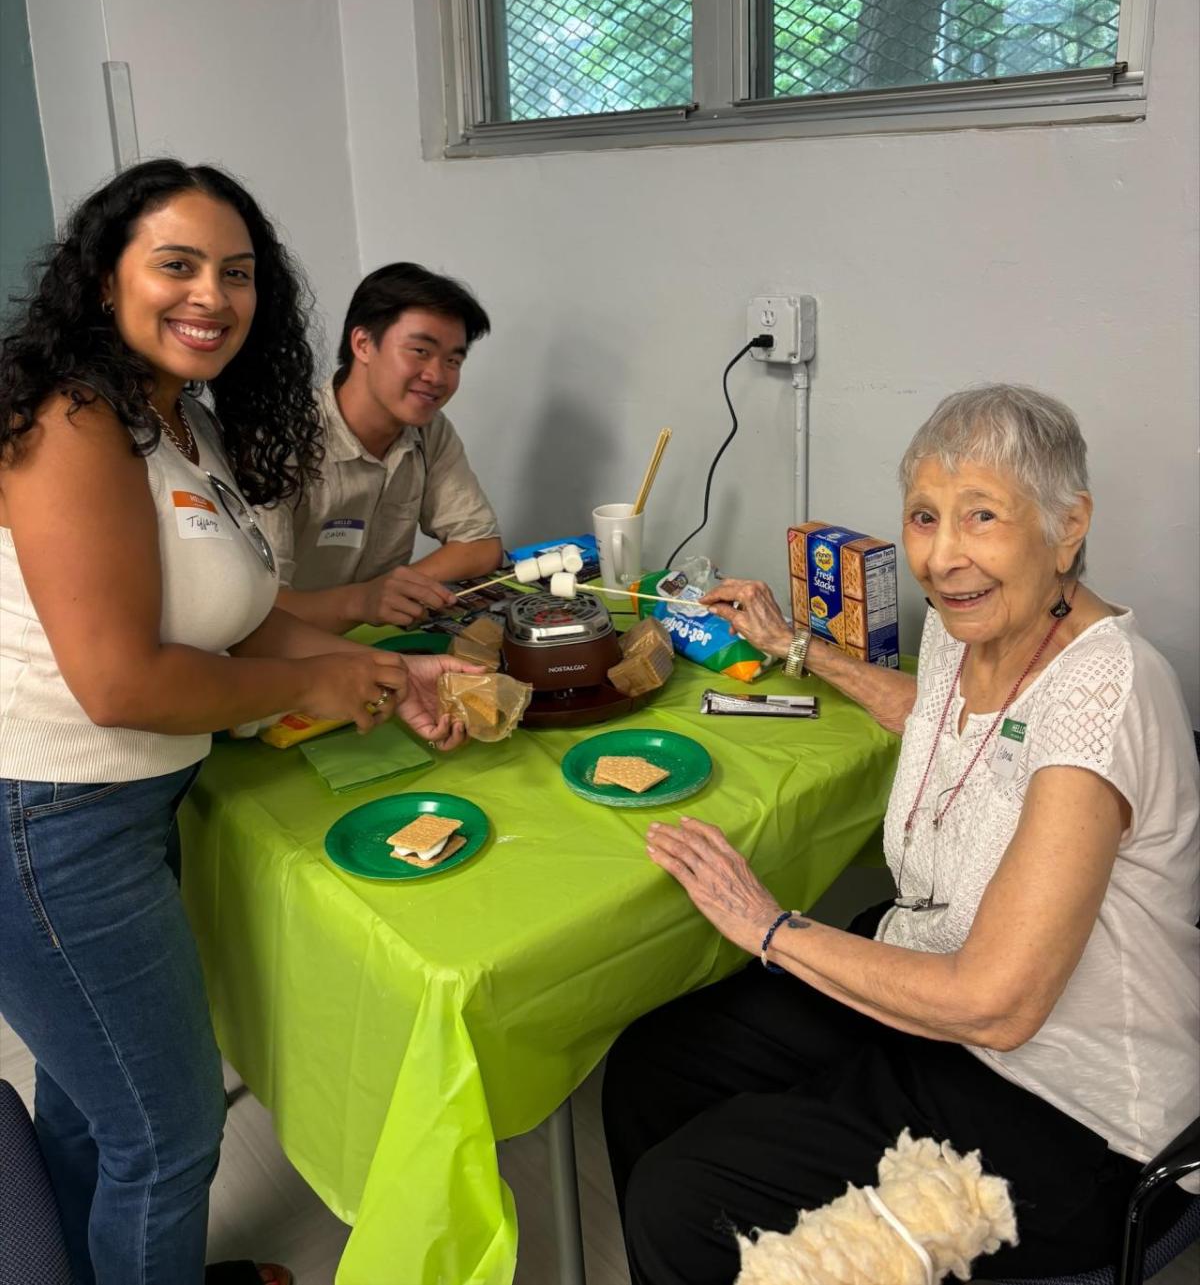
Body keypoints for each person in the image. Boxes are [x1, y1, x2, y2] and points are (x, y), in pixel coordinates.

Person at [0, 160, 478, 1285]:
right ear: (104, 275)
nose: (209, 294)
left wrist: (370, 668)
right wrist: (310, 688)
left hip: (129, 803)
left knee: (91, 1104)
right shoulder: (74, 419)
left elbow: (246, 622)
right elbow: (122, 681)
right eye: (175, 263)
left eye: (238, 272)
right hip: (52, 819)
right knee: (168, 1138)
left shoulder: (184, 424)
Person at [602, 384, 1199, 1284]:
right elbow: (943, 713)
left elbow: (996, 1003)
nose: (943, 554)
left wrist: (770, 927)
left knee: (684, 1200)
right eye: (924, 515)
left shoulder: (1102, 694)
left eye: (982, 515)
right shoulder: (975, 627)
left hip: (1068, 1110)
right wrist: (799, 646)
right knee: (654, 1066)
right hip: (936, 989)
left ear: (1066, 525)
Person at [258, 263, 502, 635]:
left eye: (453, 360)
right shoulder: (280, 439)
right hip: (280, 655)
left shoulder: (430, 432)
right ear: (362, 344)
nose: (437, 376)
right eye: (420, 350)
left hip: (371, 641)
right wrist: (364, 601)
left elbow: (481, 545)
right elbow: (260, 608)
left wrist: (392, 591)